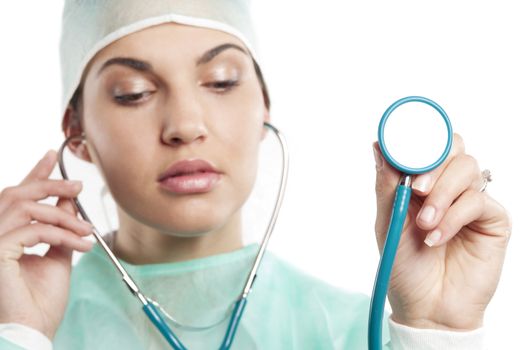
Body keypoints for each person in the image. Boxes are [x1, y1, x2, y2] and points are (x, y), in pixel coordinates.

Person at [0, 1, 511, 349]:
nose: (185, 125)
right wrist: (19, 335)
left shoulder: (367, 333)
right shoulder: (18, 316)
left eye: (221, 81)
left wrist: (435, 329)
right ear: (77, 128)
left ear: (264, 106)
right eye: (134, 91)